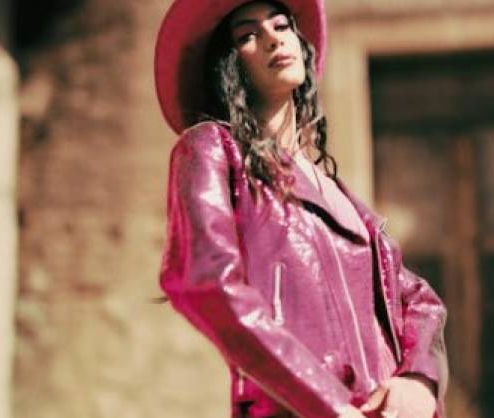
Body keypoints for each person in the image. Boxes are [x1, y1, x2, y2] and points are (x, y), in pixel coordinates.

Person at [154, 1, 449, 417]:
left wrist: (418, 380)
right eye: (248, 35)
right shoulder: (211, 149)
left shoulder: (339, 194)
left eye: (281, 25)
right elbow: (208, 283)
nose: (273, 38)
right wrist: (329, 405)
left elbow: (419, 301)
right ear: (227, 65)